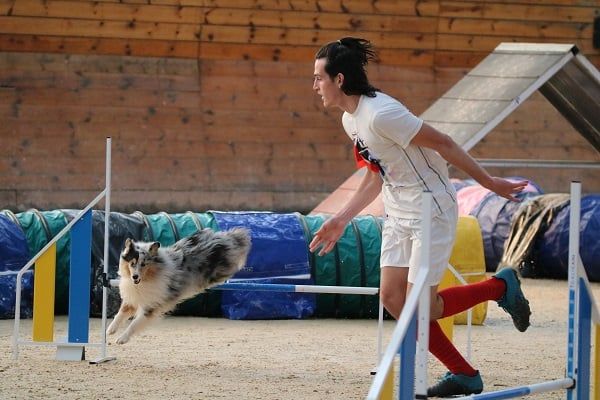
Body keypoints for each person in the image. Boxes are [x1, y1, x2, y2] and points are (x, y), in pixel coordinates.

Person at [308, 37, 531, 398]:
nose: (314, 85)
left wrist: (489, 182)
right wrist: (342, 218)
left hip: (431, 207)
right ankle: (464, 373)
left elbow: (443, 142)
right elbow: (374, 177)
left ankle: (500, 287)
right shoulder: (351, 121)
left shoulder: (383, 114)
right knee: (393, 298)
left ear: (339, 80)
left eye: (319, 77)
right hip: (398, 211)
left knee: (424, 307)